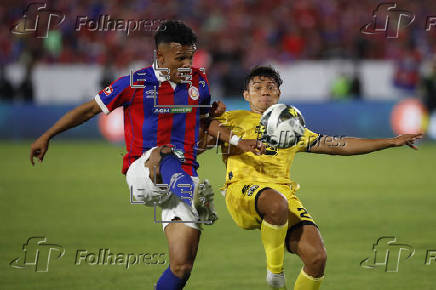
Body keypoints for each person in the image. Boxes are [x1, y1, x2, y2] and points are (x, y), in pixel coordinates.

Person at [29, 20, 261, 290]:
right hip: (143, 172)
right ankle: (196, 196)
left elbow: (205, 122)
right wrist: (48, 135)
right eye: (180, 58)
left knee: (181, 266)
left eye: (190, 57)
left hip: (182, 177)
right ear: (160, 56)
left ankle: (192, 195)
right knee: (163, 152)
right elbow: (89, 110)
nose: (187, 64)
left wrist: (235, 139)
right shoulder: (134, 83)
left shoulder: (198, 81)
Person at [208, 66, 422, 290]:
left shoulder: (292, 126)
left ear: (279, 94)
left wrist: (390, 141)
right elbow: (204, 131)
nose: (264, 92)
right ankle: (275, 272)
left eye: (270, 88)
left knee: (316, 258)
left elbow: (340, 144)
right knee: (276, 202)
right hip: (242, 191)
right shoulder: (232, 119)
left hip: (283, 194)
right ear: (246, 95)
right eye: (258, 88)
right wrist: (216, 124)